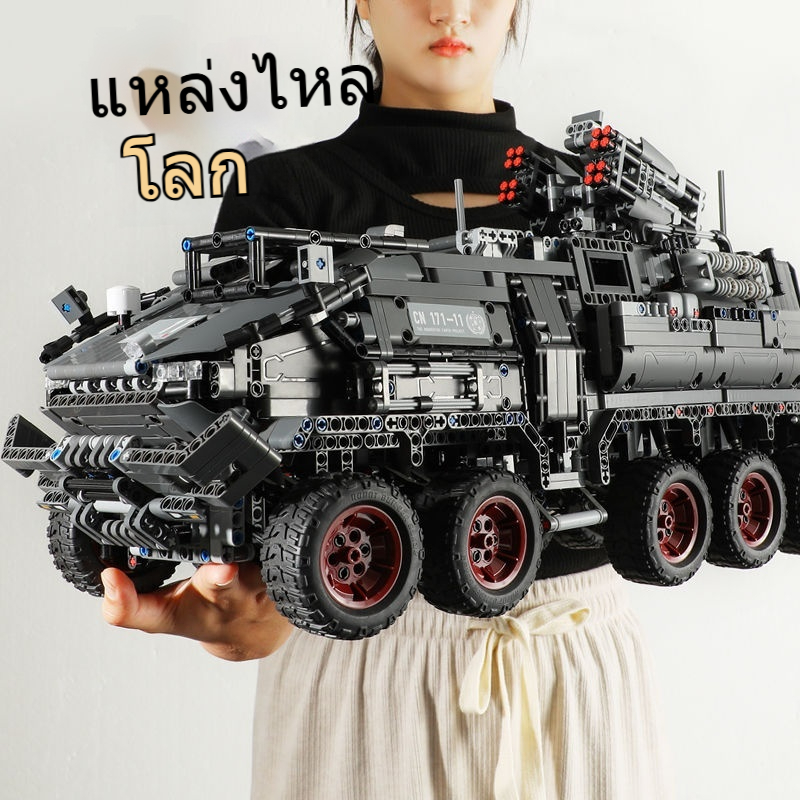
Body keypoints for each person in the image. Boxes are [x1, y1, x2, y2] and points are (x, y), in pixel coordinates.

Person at [101, 2, 673, 797]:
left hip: (574, 678)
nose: (449, 9)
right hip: (361, 680)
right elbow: (257, 587)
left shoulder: (606, 209)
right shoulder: (281, 201)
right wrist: (237, 620)